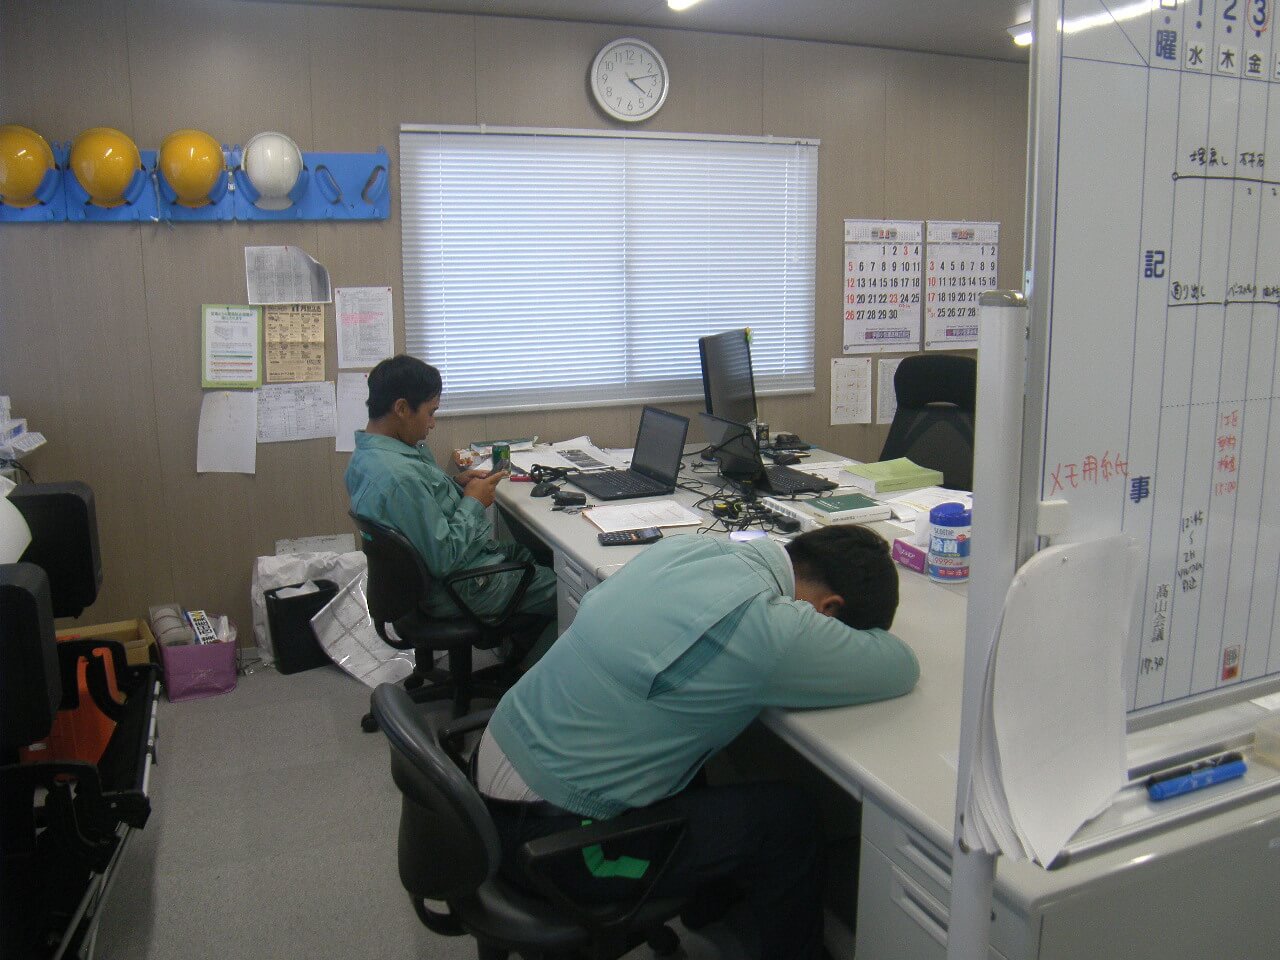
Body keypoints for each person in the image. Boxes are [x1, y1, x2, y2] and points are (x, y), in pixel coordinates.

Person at [475, 524, 919, 960]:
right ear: (830, 610)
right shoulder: (771, 630)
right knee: (790, 819)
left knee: (694, 750)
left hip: (483, 776)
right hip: (551, 846)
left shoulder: (687, 551)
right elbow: (900, 666)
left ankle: (707, 902)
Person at [345, 354, 557, 624]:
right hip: (454, 588)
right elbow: (444, 558)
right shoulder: (400, 478)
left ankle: (520, 641)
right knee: (566, 589)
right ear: (401, 408)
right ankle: (537, 651)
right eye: (430, 413)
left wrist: (454, 484)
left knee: (529, 554)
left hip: (425, 580)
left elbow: (412, 511)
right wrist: (473, 502)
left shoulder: (366, 457)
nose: (432, 423)